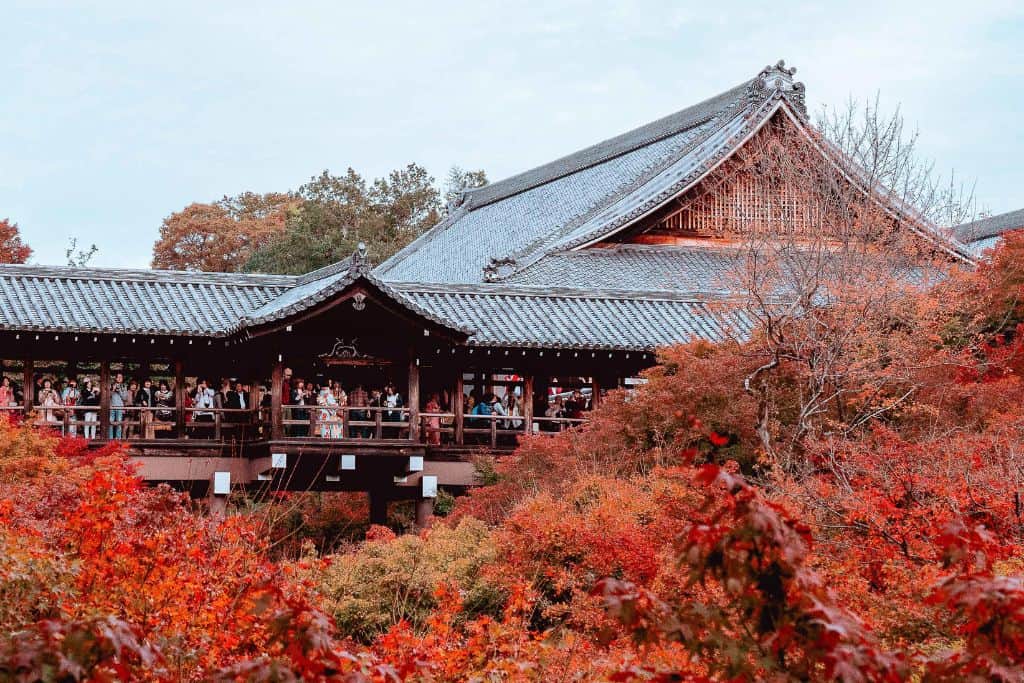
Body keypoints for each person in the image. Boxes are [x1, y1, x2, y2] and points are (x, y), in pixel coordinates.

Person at [109, 372, 130, 439]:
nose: (119, 378)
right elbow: (108, 396)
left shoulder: (124, 386)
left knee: (119, 422)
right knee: (111, 422)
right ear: (116, 378)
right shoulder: (111, 385)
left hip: (120, 406)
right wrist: (113, 389)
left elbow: (125, 398)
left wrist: (120, 391)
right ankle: (110, 438)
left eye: (121, 377)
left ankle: (118, 438)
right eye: (118, 377)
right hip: (112, 406)